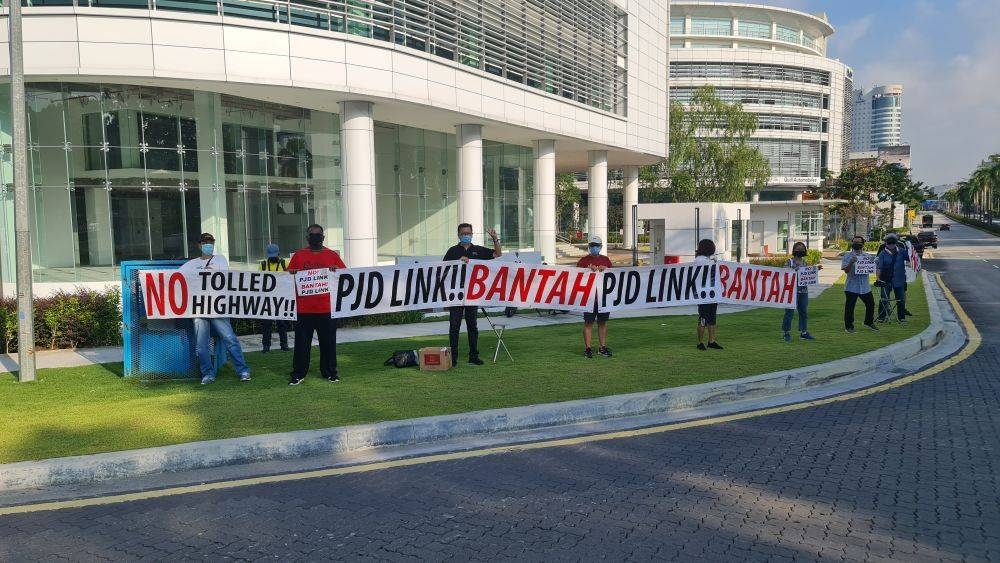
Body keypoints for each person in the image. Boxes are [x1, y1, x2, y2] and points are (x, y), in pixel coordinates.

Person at [179, 233, 251, 385]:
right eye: (205, 242)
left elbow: (221, 276)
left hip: (218, 307)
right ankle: (208, 374)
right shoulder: (191, 264)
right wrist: (146, 276)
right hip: (199, 308)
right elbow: (174, 277)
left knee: (230, 339)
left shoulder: (220, 259)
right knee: (201, 344)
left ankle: (243, 370)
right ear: (199, 245)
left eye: (210, 242)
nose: (208, 245)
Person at [286, 224, 346, 386]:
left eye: (318, 234)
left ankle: (330, 372)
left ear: (323, 237)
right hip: (303, 309)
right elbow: (286, 279)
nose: (315, 237)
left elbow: (345, 277)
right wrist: (291, 273)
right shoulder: (299, 255)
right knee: (301, 345)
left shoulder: (332, 255)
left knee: (328, 343)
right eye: (312, 235)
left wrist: (336, 271)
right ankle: (298, 374)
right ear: (307, 238)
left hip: (327, 308)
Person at [443, 223, 501, 366]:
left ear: (472, 234)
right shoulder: (452, 251)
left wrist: (495, 239)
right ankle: (453, 357)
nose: (466, 236)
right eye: (463, 233)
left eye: (468, 233)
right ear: (458, 235)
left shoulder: (478, 250)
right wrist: (457, 262)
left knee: (472, 326)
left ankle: (473, 356)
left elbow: (497, 254)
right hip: (456, 294)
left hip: (472, 294)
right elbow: (443, 269)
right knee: (454, 326)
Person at [577, 235, 613, 358]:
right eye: (592, 245)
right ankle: (588, 348)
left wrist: (606, 269)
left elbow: (614, 277)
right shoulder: (583, 261)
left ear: (601, 247)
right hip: (589, 298)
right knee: (588, 323)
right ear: (589, 246)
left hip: (603, 297)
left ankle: (602, 348)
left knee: (602, 323)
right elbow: (575, 277)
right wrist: (587, 270)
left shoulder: (606, 260)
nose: (594, 248)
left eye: (596, 245)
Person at [842, 235, 879, 333]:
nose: (856, 244)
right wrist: (851, 262)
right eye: (854, 242)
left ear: (863, 244)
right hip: (851, 286)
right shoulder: (847, 256)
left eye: (858, 242)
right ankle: (849, 327)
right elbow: (846, 271)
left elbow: (872, 268)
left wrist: (874, 263)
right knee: (850, 307)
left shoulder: (867, 256)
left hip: (865, 286)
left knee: (871, 304)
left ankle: (868, 322)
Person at [782, 241, 816, 342]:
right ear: (794, 250)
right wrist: (796, 268)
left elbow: (808, 274)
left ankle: (803, 332)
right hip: (791, 291)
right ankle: (786, 332)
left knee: (803, 312)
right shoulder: (789, 262)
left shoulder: (805, 262)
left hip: (803, 291)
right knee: (789, 312)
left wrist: (815, 270)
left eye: (802, 249)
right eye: (798, 249)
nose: (800, 251)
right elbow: (784, 273)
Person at [259, 243, 290, 353]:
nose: (272, 258)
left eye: (274, 256)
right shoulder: (263, 265)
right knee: (266, 324)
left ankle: (284, 345)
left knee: (282, 323)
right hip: (267, 300)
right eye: (271, 256)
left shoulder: (285, 263)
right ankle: (266, 346)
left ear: (279, 254)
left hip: (281, 299)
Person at [694, 239, 722, 350]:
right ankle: (700, 342)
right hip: (703, 295)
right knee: (703, 319)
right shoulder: (699, 260)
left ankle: (712, 341)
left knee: (712, 318)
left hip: (712, 294)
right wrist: (715, 261)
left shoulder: (707, 259)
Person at [876, 233, 908, 322]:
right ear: (885, 243)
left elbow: (911, 258)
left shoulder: (902, 251)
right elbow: (879, 267)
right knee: (883, 299)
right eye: (888, 243)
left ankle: (901, 317)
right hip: (885, 280)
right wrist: (878, 279)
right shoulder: (882, 254)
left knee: (901, 299)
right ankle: (881, 317)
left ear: (896, 243)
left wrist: (911, 250)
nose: (891, 244)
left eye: (892, 242)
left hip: (899, 279)